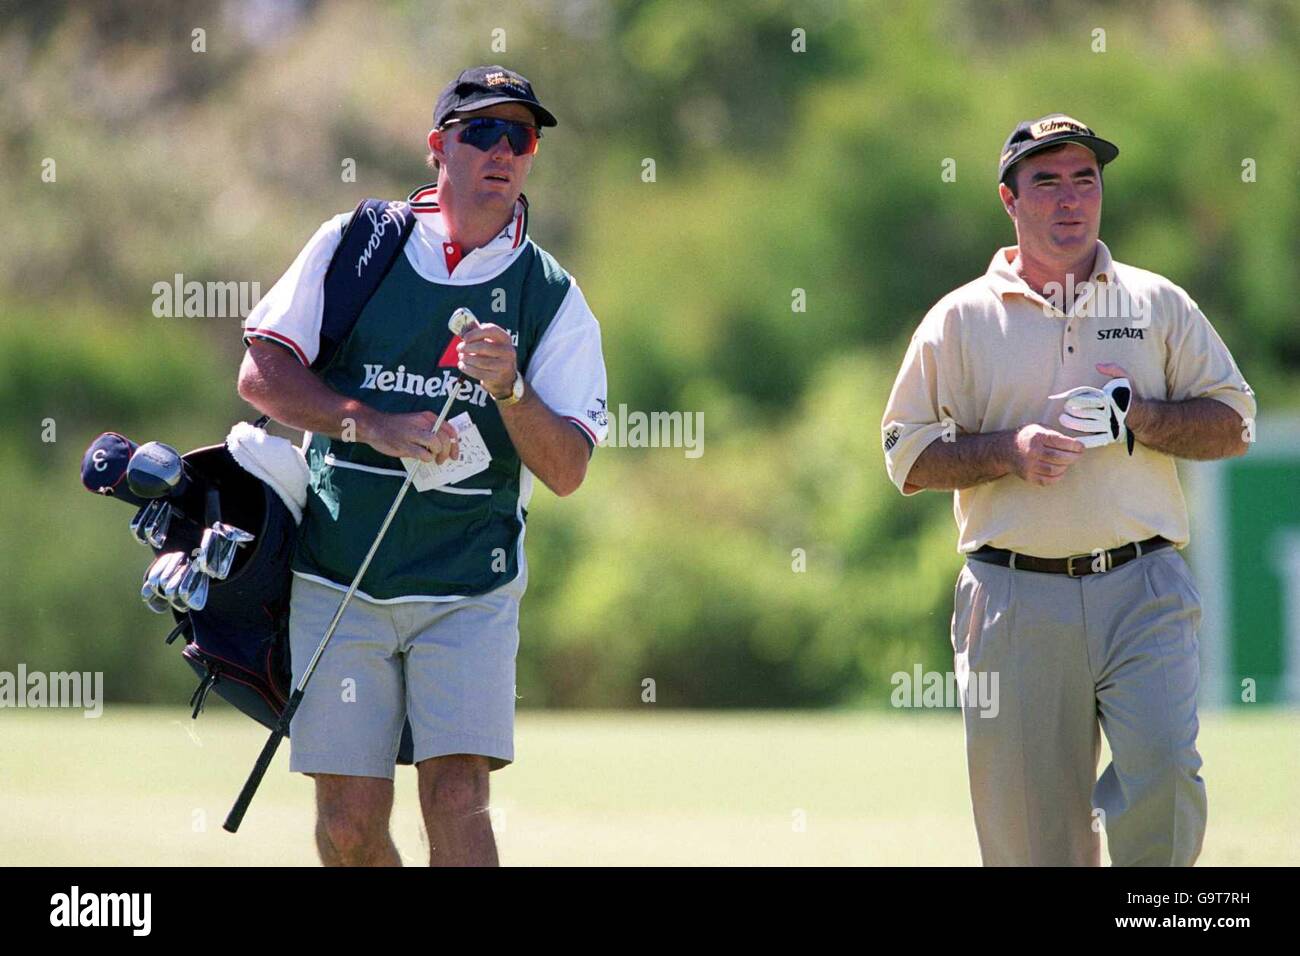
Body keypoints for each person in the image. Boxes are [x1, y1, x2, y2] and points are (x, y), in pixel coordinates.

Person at [237, 66, 608, 866]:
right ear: (440, 146)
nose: (502, 150)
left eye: (521, 136)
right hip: (339, 573)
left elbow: (569, 467)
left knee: (457, 801)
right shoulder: (357, 244)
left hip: (468, 585)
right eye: (482, 131)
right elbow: (261, 373)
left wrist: (510, 391)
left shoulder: (553, 296)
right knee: (346, 824)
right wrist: (365, 422)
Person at [880, 114, 1255, 866]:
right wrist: (1007, 451)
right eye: (1046, 182)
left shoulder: (1156, 303)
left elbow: (1233, 424)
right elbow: (907, 456)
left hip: (1143, 584)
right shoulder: (959, 320)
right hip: (1014, 597)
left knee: (1167, 775)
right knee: (1034, 842)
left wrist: (1140, 417)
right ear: (1008, 201)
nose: (1070, 199)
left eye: (1085, 179)